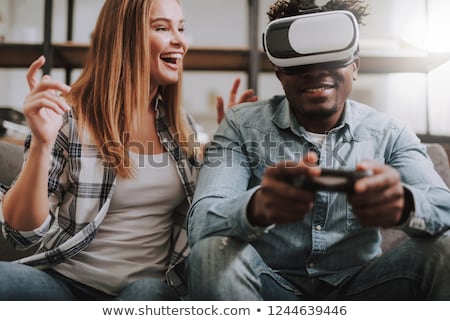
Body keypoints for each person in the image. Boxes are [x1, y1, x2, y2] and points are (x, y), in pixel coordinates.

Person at [187, 0, 450, 300]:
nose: (315, 71)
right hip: (272, 288)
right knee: (210, 251)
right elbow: (201, 226)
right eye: (301, 62)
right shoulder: (240, 126)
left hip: (364, 289)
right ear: (279, 73)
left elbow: (444, 207)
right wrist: (258, 207)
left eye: (331, 57)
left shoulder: (390, 133)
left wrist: (405, 205)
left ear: (355, 67)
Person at [0, 0, 256, 300]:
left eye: (181, 28)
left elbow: (214, 210)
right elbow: (21, 234)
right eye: (162, 27)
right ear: (125, 36)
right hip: (65, 284)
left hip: (145, 291)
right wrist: (42, 145)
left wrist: (230, 142)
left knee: (146, 291)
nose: (180, 41)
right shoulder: (68, 115)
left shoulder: (180, 125)